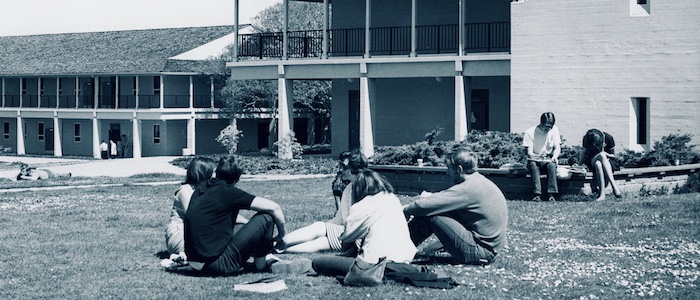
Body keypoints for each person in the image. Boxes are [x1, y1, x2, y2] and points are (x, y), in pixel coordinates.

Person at [184, 155, 307, 275]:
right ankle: (260, 265)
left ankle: (261, 257)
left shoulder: (201, 188)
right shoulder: (229, 192)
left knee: (240, 227)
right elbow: (274, 208)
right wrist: (282, 235)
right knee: (266, 218)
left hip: (195, 262)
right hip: (217, 265)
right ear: (237, 179)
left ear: (217, 172)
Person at [403, 148, 508, 265]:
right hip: (489, 250)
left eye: (449, 168)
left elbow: (422, 206)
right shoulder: (478, 181)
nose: (447, 173)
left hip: (480, 252)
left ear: (459, 169)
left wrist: (407, 210)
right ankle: (403, 245)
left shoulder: (468, 188)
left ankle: (398, 247)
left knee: (431, 214)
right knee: (436, 210)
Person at [312, 169, 417, 277]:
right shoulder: (393, 200)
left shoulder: (361, 207)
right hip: (404, 259)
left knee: (318, 262)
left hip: (375, 264)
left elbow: (347, 237)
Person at [280, 149, 367, 253]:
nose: (340, 170)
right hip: (348, 232)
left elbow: (361, 223)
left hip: (358, 237)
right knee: (319, 229)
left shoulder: (363, 189)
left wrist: (327, 230)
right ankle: (277, 246)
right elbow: (339, 219)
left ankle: (276, 247)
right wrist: (326, 228)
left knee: (320, 241)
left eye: (343, 166)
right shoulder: (349, 188)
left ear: (352, 169)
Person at [522, 112, 561, 202]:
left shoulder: (554, 130)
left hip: (548, 159)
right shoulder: (530, 132)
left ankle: (552, 194)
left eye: (550, 126)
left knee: (552, 166)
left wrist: (555, 157)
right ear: (541, 123)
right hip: (535, 159)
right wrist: (538, 156)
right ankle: (536, 194)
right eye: (546, 126)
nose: (548, 128)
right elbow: (529, 153)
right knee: (534, 166)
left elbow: (557, 147)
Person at [576, 129, 622, 201]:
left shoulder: (608, 138)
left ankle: (602, 194)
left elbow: (613, 155)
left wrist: (607, 154)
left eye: (598, 144)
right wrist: (579, 164)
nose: (596, 147)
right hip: (592, 160)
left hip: (608, 162)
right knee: (602, 155)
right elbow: (584, 152)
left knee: (598, 163)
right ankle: (615, 187)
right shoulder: (586, 139)